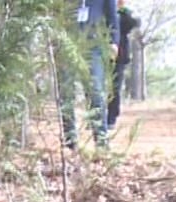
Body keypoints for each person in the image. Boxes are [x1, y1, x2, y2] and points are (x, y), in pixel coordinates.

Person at [59, 0, 118, 150]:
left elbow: (112, 17)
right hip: (67, 44)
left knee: (95, 93)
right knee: (66, 93)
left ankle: (101, 142)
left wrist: (114, 42)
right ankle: (70, 142)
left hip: (94, 46)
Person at [105, 3, 141, 129]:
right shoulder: (101, 10)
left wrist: (122, 10)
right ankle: (96, 117)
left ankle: (111, 118)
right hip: (100, 53)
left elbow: (134, 23)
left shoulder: (124, 15)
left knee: (115, 87)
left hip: (118, 56)